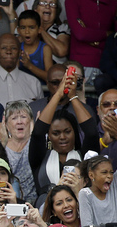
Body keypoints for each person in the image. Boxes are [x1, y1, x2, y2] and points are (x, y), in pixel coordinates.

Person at [29, 69, 98, 199]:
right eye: (56, 133)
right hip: (46, 215)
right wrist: (59, 94)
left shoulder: (84, 155)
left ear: (75, 132)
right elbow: (37, 133)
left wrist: (72, 96)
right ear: (49, 136)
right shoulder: (41, 156)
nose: (62, 137)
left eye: (67, 131)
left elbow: (92, 132)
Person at [0, 34, 42, 108]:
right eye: (4, 48)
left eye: (13, 48)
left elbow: (40, 114)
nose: (9, 51)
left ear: (20, 53)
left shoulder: (33, 83)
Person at [3, 101, 35, 204]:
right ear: (7, 125)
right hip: (9, 203)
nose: (19, 122)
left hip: (36, 203)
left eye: (23, 117)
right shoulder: (1, 147)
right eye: (14, 118)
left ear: (31, 121)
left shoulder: (38, 144)